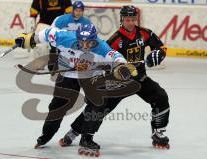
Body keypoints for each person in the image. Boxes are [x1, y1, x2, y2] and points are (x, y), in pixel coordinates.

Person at [15, 24, 138, 156]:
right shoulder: (63, 37)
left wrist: (122, 65)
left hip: (90, 76)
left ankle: (86, 138)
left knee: (98, 103)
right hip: (67, 75)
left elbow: (115, 56)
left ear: (95, 39)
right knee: (58, 107)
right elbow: (46, 33)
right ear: (77, 37)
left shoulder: (101, 46)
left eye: (89, 42)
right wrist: (30, 40)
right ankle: (46, 136)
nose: (85, 46)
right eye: (81, 42)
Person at [60, 5, 170, 152]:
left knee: (161, 96)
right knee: (100, 107)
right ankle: (74, 132)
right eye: (127, 19)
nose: (131, 22)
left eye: (133, 19)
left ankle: (158, 132)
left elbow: (161, 48)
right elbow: (103, 61)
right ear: (122, 19)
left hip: (140, 78)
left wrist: (158, 55)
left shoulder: (144, 33)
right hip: (120, 81)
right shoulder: (114, 40)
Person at [48, 0, 92, 74]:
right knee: (54, 53)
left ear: (83, 11)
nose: (78, 12)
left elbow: (91, 36)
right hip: (62, 44)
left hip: (77, 46)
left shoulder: (86, 22)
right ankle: (54, 64)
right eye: (76, 10)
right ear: (73, 10)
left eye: (80, 11)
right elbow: (51, 32)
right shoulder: (61, 19)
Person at [29, 0, 73, 69]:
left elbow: (70, 14)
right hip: (44, 24)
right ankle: (39, 63)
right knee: (40, 42)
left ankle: (64, 62)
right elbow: (33, 15)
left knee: (65, 42)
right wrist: (32, 29)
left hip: (59, 25)